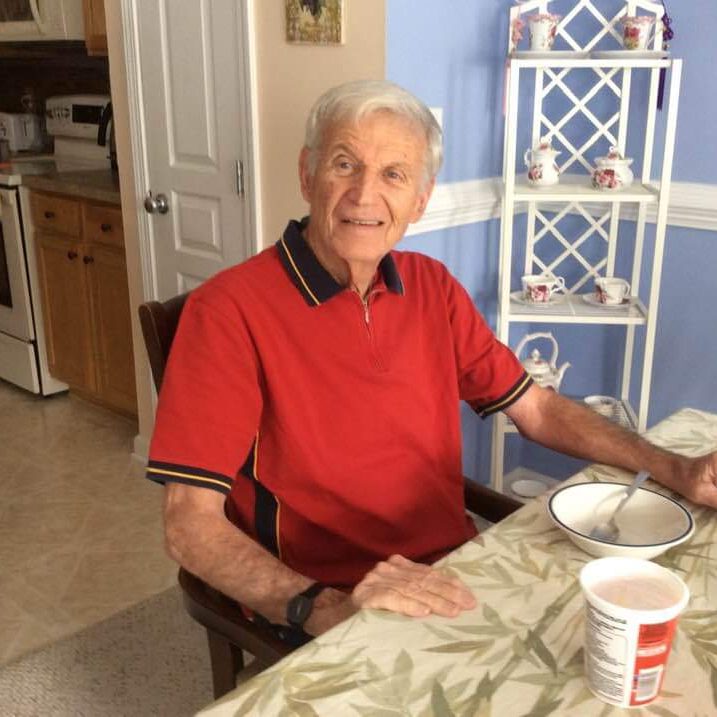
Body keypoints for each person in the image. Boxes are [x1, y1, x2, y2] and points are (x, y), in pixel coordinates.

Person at [146, 79, 717, 644]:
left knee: (624, 641)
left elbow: (537, 408)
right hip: (331, 602)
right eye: (345, 164)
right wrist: (327, 609)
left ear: (420, 201)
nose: (365, 195)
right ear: (307, 174)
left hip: (453, 569)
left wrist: (675, 469)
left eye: (394, 175)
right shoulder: (226, 311)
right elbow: (189, 524)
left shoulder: (432, 286)